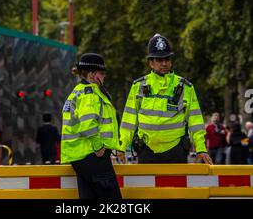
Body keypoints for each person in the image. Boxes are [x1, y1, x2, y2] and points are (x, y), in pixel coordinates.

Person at [119, 34, 212, 165]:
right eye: (159, 60)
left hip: (175, 151)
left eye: (167, 59)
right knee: (146, 186)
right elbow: (128, 121)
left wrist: (201, 148)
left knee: (176, 186)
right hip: (146, 150)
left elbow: (195, 121)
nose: (164, 63)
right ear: (150, 63)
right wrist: (122, 146)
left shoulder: (186, 87)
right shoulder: (138, 86)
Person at [61, 53, 122, 199]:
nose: (104, 77)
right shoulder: (90, 94)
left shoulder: (77, 92)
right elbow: (88, 123)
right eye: (102, 73)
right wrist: (99, 147)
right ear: (93, 74)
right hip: (93, 154)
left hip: (79, 156)